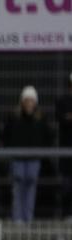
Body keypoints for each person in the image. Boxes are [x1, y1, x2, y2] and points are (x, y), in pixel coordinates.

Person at [3, 86, 53, 223]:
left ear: (35, 102)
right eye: (26, 100)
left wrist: (41, 152)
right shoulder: (14, 118)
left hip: (34, 160)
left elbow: (48, 137)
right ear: (22, 102)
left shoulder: (41, 119)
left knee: (31, 190)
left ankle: (28, 218)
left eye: (31, 100)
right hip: (18, 160)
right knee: (18, 190)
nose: (29, 103)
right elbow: (5, 135)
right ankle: (18, 218)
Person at [56, 73, 72, 217]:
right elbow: (62, 118)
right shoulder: (63, 101)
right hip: (67, 154)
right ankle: (66, 215)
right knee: (66, 187)